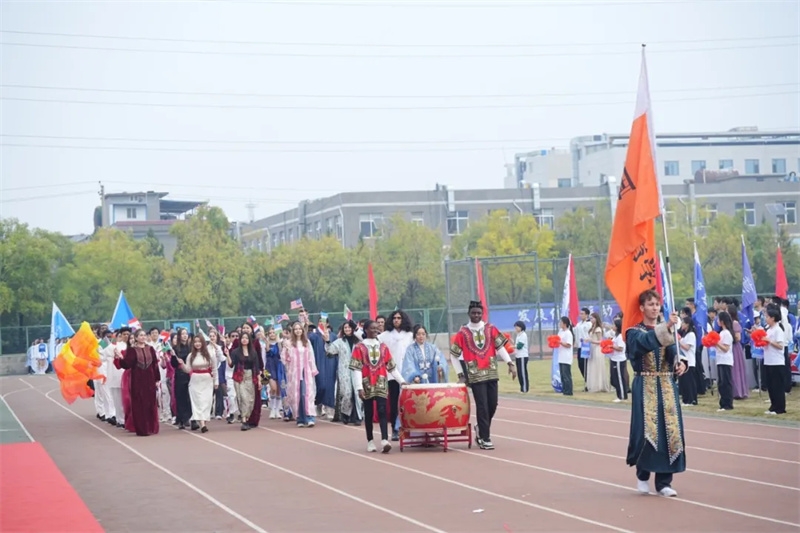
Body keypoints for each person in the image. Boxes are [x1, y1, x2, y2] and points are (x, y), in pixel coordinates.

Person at [625, 289, 687, 497]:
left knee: (670, 431)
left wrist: (680, 363)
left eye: (657, 304)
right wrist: (667, 327)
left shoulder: (669, 331)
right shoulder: (633, 332)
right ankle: (643, 475)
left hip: (667, 385)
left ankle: (664, 482)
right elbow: (643, 344)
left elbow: (675, 352)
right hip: (645, 384)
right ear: (642, 307)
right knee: (647, 431)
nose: (654, 308)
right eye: (650, 304)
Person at [449, 300, 516, 450]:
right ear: (469, 314)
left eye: (479, 313)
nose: (476, 315)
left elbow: (500, 347)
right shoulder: (463, 333)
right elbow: (454, 355)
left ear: (482, 314)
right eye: (473, 313)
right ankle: (485, 437)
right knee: (482, 406)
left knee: (493, 404)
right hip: (475, 374)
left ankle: (480, 428)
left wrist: (510, 364)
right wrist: (460, 374)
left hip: (491, 372)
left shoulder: (491, 329)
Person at [350, 319, 406, 453]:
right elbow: (356, 369)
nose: (376, 330)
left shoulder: (383, 347)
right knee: (368, 412)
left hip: (381, 382)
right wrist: (359, 387)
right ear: (366, 330)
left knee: (382, 410)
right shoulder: (359, 347)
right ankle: (370, 441)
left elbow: (392, 367)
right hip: (366, 383)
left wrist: (402, 381)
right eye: (372, 328)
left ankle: (385, 440)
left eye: (377, 328)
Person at [114, 328, 160, 436]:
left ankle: (151, 427)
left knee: (150, 403)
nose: (143, 337)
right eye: (140, 335)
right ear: (136, 337)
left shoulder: (150, 349)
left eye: (144, 335)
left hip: (150, 380)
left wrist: (157, 379)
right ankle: (142, 429)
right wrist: (119, 357)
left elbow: (155, 365)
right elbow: (127, 364)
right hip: (137, 380)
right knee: (139, 404)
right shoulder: (132, 350)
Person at [175, 335, 218, 433]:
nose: (197, 344)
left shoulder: (210, 354)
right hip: (195, 380)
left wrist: (216, 381)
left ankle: (203, 421)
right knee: (198, 402)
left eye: (199, 342)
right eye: (195, 342)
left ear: (203, 342)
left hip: (207, 380)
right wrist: (182, 364)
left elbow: (214, 369)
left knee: (206, 402)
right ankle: (202, 424)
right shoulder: (191, 356)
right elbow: (188, 370)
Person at [281, 321, 319, 428]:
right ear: (293, 331)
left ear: (302, 330)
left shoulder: (306, 342)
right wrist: (286, 350)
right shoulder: (289, 343)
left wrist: (313, 370)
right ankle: (300, 418)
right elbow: (284, 359)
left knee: (306, 394)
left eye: (299, 329)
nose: (298, 331)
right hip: (295, 373)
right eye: (296, 329)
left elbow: (311, 357)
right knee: (297, 395)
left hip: (306, 371)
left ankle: (310, 417)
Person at [763, 307, 787, 415]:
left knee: (777, 386)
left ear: (773, 318)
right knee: (771, 386)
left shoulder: (778, 330)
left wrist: (769, 341)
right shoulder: (769, 330)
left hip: (777, 362)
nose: (766, 318)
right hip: (768, 361)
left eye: (767, 317)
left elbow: (780, 346)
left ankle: (780, 408)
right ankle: (773, 406)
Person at [512, 321, 529, 393]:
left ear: (521, 327)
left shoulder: (523, 335)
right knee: (519, 373)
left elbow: (519, 346)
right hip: (518, 356)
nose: (516, 328)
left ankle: (525, 389)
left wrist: (511, 347)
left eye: (517, 326)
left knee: (523, 373)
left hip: (522, 356)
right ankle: (522, 388)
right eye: (515, 327)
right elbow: (516, 344)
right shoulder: (518, 335)